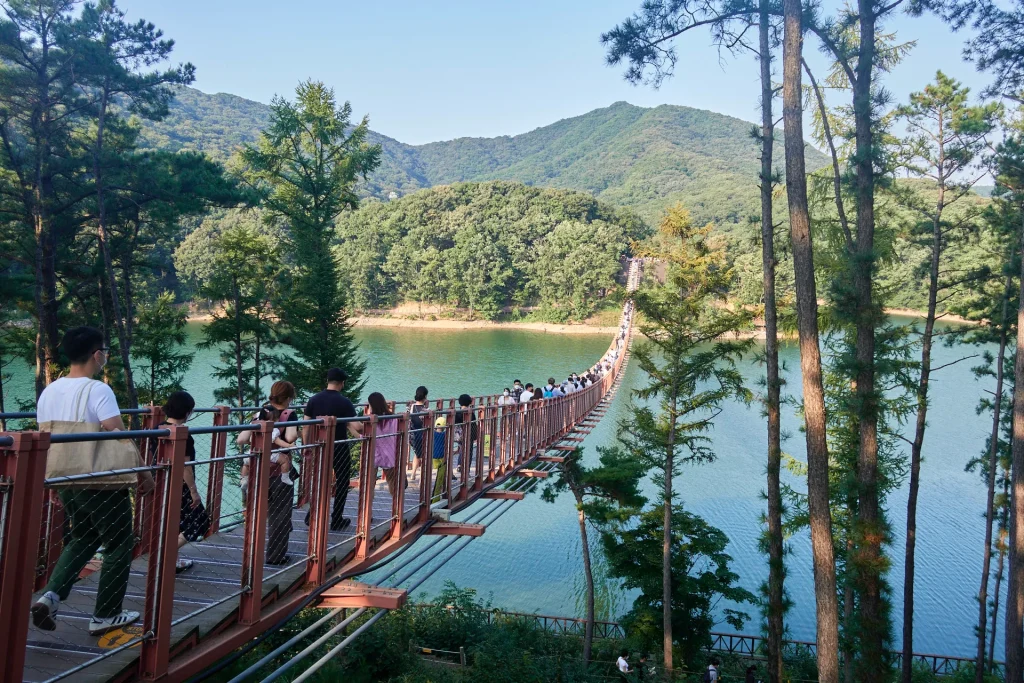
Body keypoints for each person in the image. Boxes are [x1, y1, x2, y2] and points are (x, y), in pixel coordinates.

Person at [32, 326, 152, 635]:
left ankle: (51, 595)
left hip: (66, 477)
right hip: (100, 480)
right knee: (119, 543)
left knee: (83, 537)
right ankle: (106, 614)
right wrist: (142, 472)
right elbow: (116, 433)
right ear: (97, 355)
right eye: (105, 353)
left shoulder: (50, 391)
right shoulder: (98, 389)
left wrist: (53, 484)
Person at [302, 368, 362, 532]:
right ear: (342, 383)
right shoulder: (344, 402)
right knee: (342, 482)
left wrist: (307, 447)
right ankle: (337, 519)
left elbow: (306, 427)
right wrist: (368, 425)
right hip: (339, 447)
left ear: (327, 381)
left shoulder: (313, 400)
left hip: (319, 447)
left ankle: (312, 514)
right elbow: (356, 425)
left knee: (320, 480)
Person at [160, 391, 211, 574]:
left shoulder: (158, 429)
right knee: (200, 522)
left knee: (176, 523)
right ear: (187, 412)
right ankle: (167, 557)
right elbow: (185, 467)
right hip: (180, 487)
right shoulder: (184, 435)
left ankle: (171, 559)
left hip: (162, 484)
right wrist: (193, 491)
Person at [256, 381, 299, 565]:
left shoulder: (261, 412)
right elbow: (290, 438)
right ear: (289, 398)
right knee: (280, 515)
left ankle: (254, 557)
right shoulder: (289, 414)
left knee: (266, 511)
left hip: (259, 468)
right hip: (279, 470)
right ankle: (275, 557)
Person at [366, 392, 401, 502]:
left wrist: (349, 427)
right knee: (393, 485)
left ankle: (368, 513)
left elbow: (364, 436)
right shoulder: (394, 419)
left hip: (373, 455)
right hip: (390, 456)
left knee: (369, 486)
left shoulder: (371, 420)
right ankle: (396, 511)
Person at [408, 386, 429, 482]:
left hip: (412, 435)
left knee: (417, 453)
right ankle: (422, 477)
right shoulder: (426, 411)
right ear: (425, 396)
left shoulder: (410, 407)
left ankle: (413, 474)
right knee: (424, 456)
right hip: (422, 436)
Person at [431, 415, 449, 500]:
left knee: (435, 468)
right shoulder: (445, 434)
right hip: (442, 454)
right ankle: (441, 484)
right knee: (442, 469)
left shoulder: (433, 433)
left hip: (433, 454)